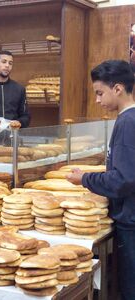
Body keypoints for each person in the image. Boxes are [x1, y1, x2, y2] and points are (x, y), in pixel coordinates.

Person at [66, 60, 135, 300]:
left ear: (117, 88)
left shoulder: (127, 122)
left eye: (99, 93)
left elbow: (123, 180)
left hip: (130, 220)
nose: (97, 100)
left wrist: (85, 178)